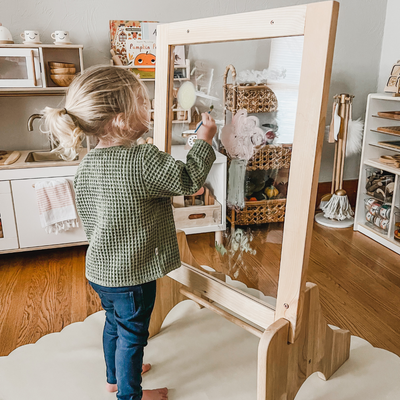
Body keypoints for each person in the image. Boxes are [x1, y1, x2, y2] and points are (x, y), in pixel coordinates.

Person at [41, 65, 217, 400]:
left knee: (114, 324)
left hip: (100, 270)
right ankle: (129, 395)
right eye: (143, 101)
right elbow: (190, 180)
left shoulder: (89, 162)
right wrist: (203, 140)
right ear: (121, 119)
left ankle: (114, 378)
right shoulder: (142, 159)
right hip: (131, 275)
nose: (149, 106)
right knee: (133, 337)